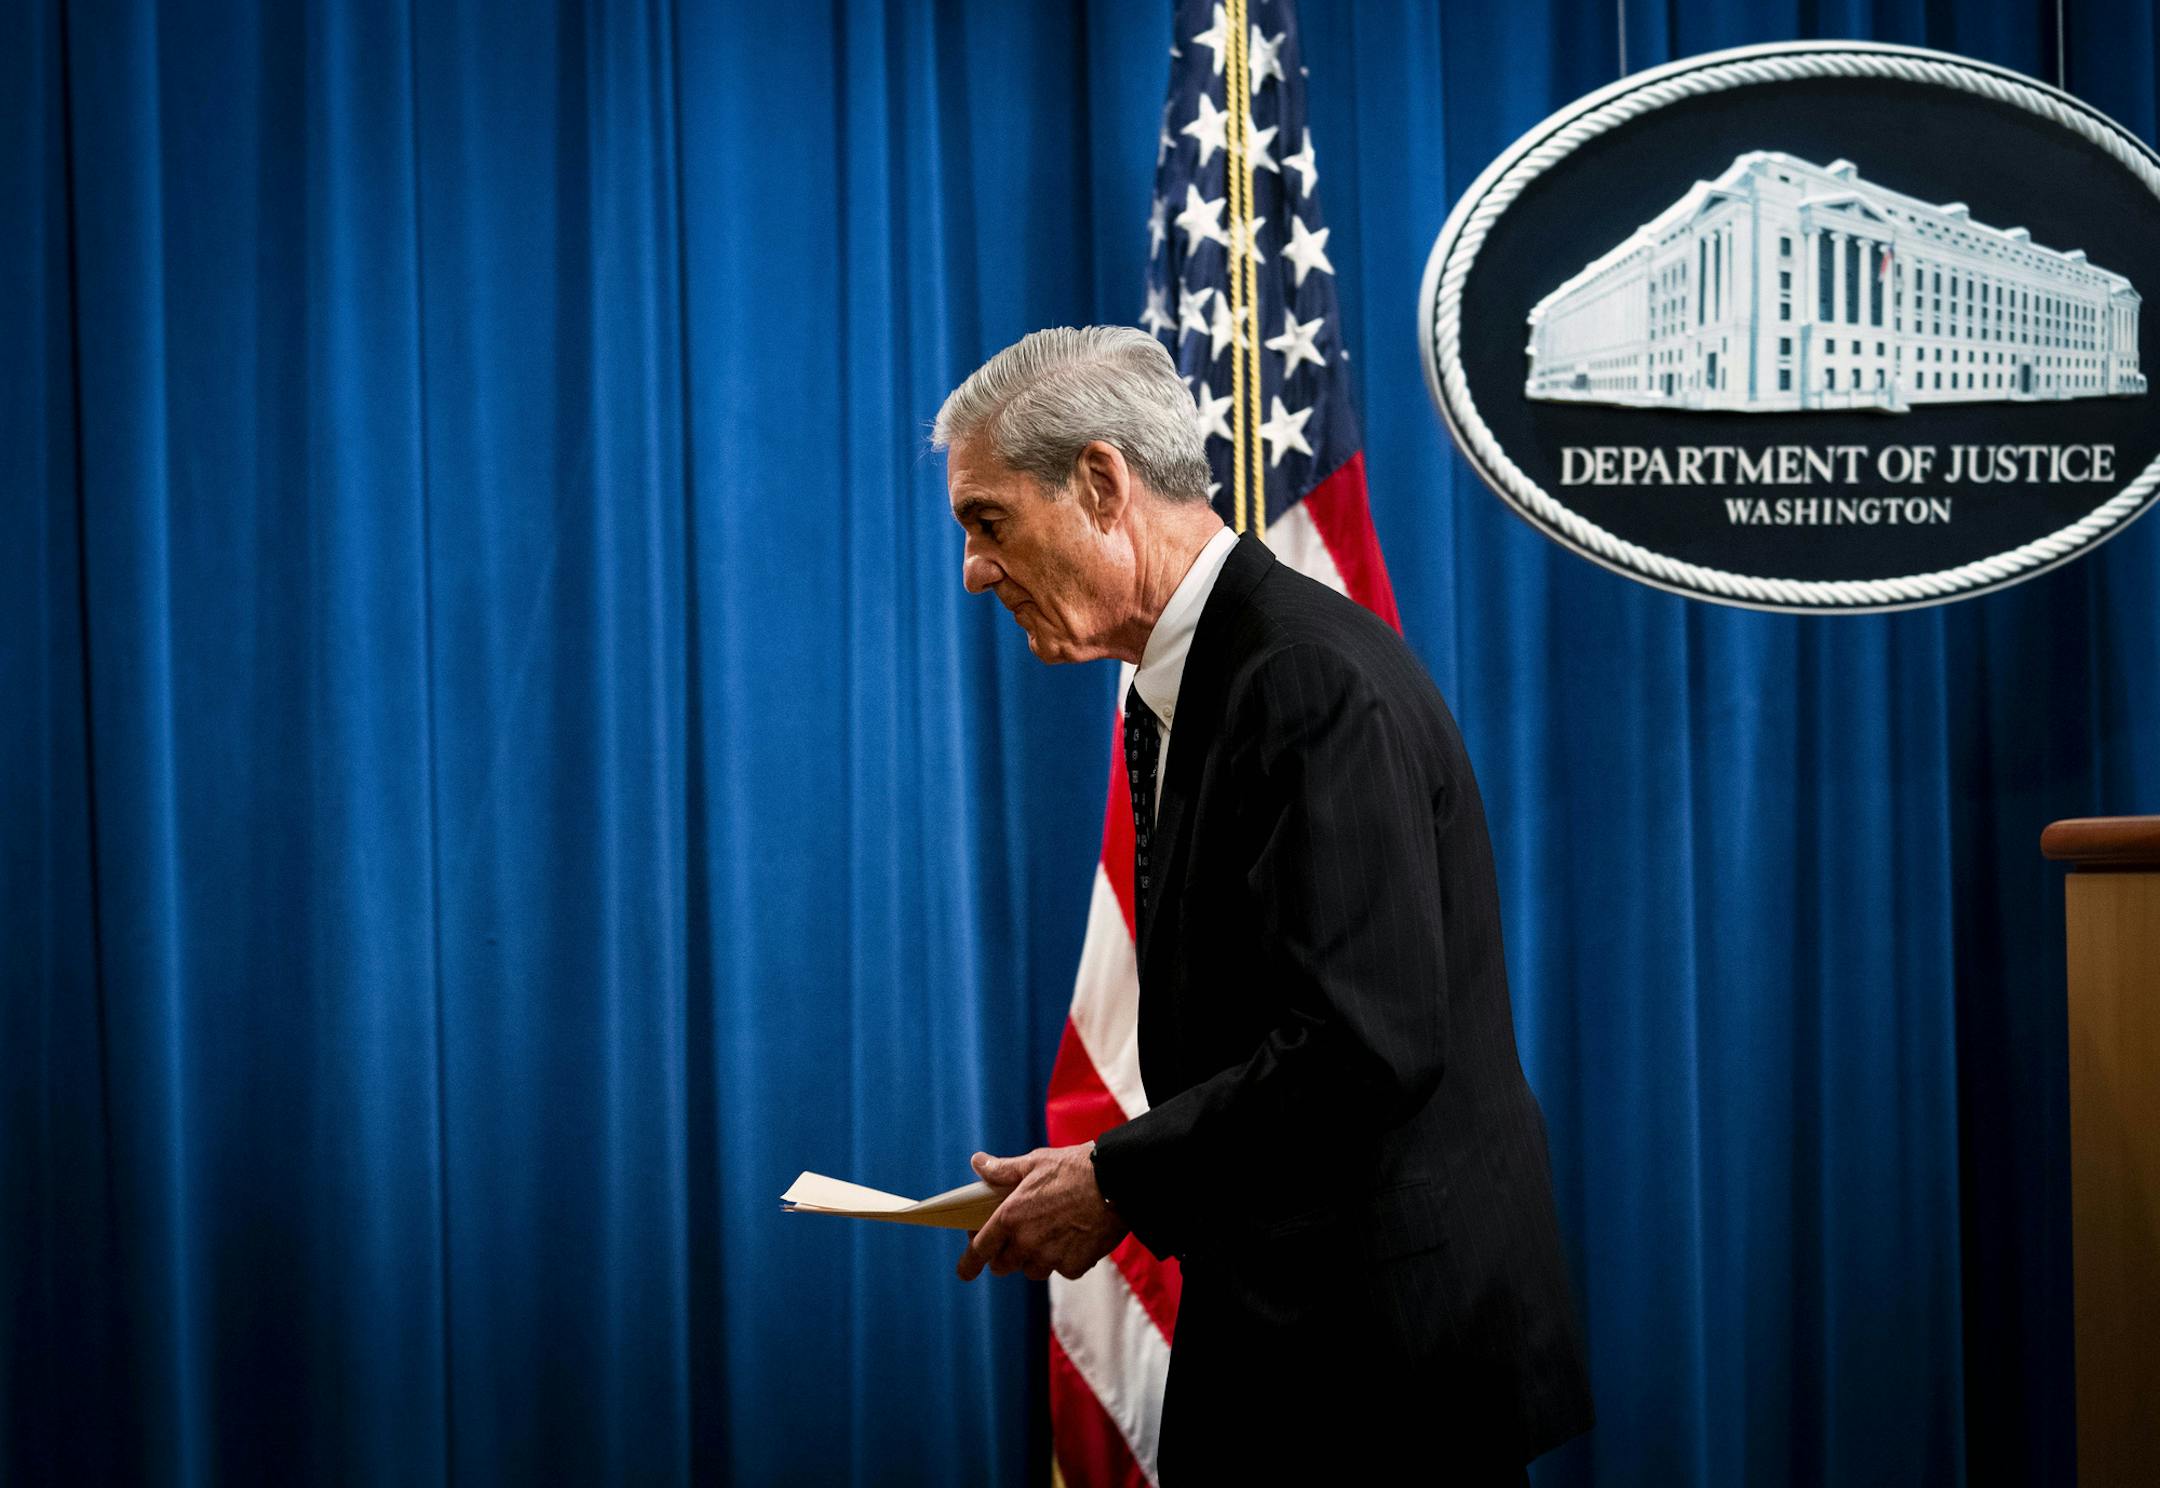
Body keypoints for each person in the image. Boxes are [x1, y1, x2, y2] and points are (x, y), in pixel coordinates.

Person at [939, 326, 1592, 1482]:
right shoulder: (1210, 674)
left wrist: (1116, 1177)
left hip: (1373, 1372)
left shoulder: (1297, 677)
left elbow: (1362, 1048)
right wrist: (1114, 1169)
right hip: (1298, 1333)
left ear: (1101, 484)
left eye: (989, 522)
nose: (974, 571)